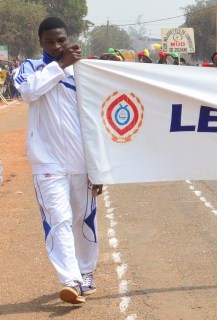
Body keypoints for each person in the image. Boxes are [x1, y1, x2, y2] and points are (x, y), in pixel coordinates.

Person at [14, 17, 103, 304]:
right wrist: (60, 64)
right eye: (50, 41)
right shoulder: (29, 68)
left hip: (81, 160)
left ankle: (86, 271)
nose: (56, 45)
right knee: (59, 219)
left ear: (69, 38)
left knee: (83, 219)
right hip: (47, 161)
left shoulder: (84, 71)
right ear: (40, 42)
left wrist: (98, 165)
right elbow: (27, 91)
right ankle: (71, 281)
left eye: (61, 40)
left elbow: (96, 117)